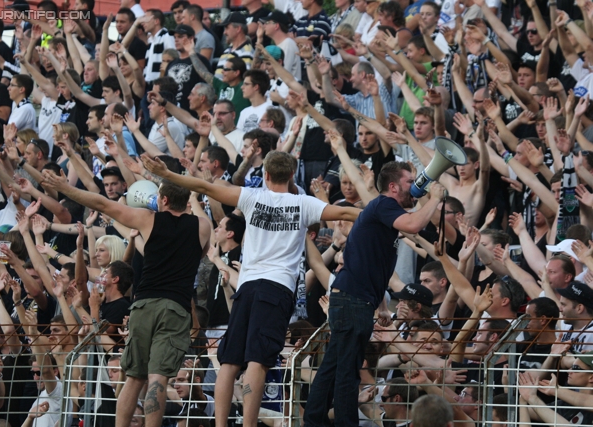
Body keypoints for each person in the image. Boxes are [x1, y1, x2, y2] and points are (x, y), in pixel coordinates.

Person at [141, 149, 361, 427]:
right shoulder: (304, 203)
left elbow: (204, 186)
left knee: (230, 362)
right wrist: (384, 214)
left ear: (266, 175)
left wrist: (166, 174)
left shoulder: (251, 196)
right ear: (292, 174)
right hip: (276, 289)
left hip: (247, 286)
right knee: (258, 360)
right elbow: (343, 211)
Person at [39, 166, 212, 427]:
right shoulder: (202, 225)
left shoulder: (148, 219)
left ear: (162, 199)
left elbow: (102, 203)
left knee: (133, 377)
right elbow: (199, 252)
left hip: (143, 306)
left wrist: (64, 188)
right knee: (159, 378)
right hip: (175, 309)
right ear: (187, 201)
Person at [303, 154, 447, 427]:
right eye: (409, 180)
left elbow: (375, 267)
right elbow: (414, 224)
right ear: (393, 187)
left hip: (356, 300)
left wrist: (382, 307)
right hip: (351, 300)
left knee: (334, 365)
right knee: (348, 369)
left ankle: (313, 420)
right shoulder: (383, 205)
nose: (416, 185)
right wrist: (435, 198)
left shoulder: (384, 214)